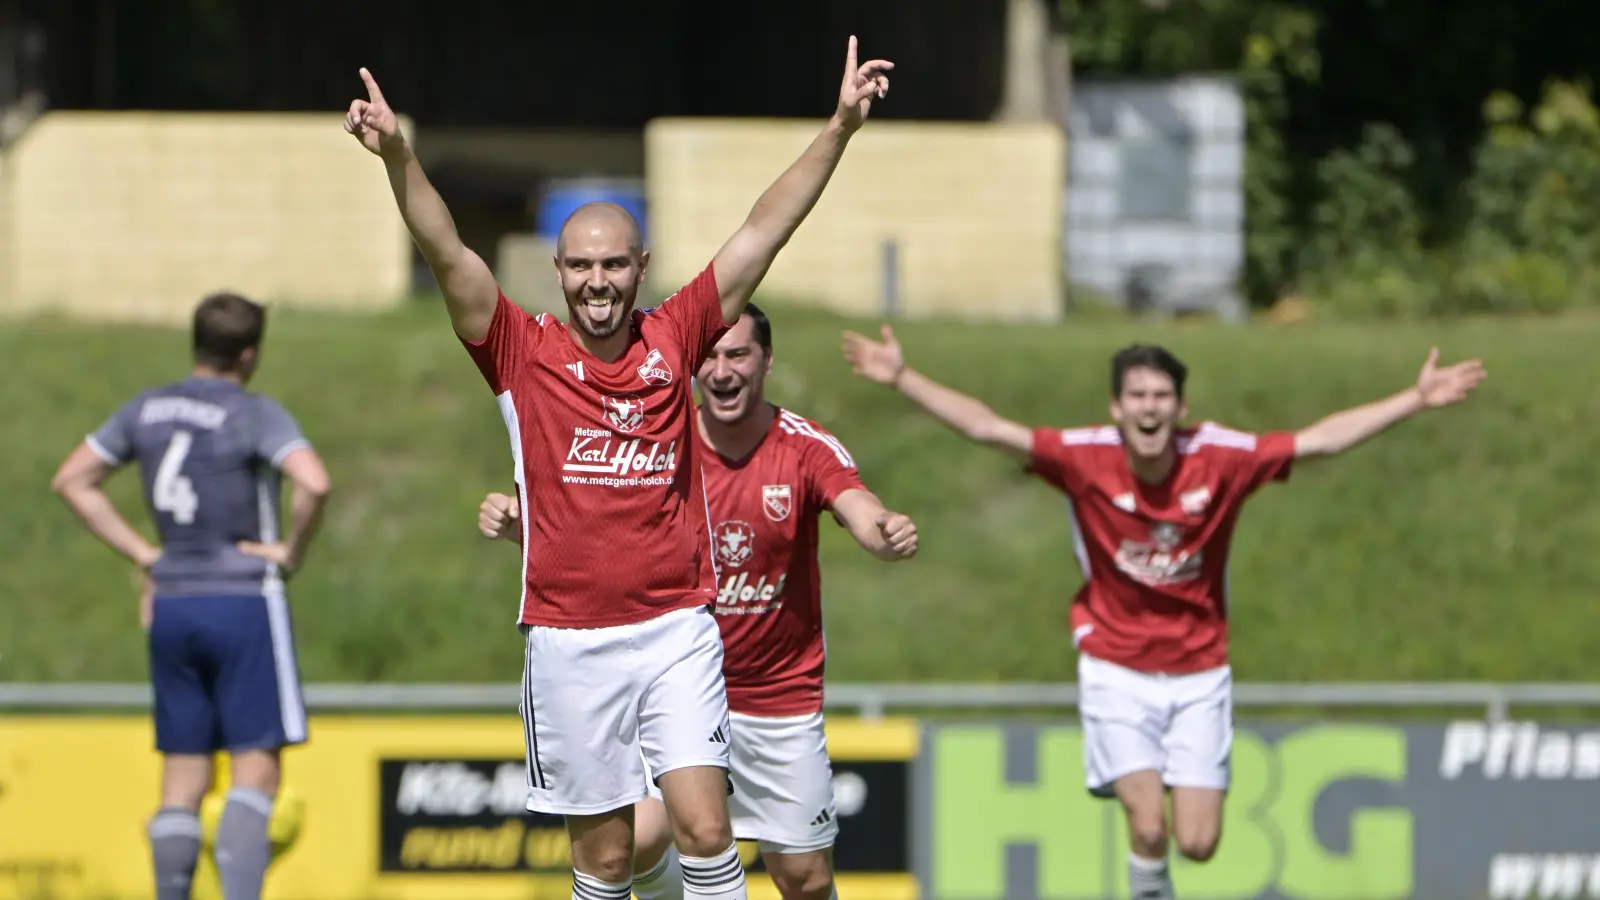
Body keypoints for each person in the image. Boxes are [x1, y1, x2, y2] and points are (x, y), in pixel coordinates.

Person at [344, 37, 891, 900]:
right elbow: (447, 248)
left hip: (676, 628)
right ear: (558, 272)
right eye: (582, 265)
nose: (598, 281)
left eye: (614, 264)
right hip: (568, 643)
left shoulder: (676, 336)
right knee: (604, 862)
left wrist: (839, 129)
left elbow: (763, 230)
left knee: (708, 828)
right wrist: (399, 157)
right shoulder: (520, 352)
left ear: (641, 269)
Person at [840, 328, 1485, 900]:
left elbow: (1318, 443)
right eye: (1137, 396)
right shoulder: (1082, 456)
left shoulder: (1221, 457)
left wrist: (1415, 398)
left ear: (1180, 407)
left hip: (1200, 671)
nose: (1149, 408)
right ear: (1116, 407)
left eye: (1160, 397)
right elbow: (990, 428)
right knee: (1148, 824)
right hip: (1114, 665)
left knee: (1198, 841)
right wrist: (903, 378)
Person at [479, 305, 918, 900]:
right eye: (708, 356)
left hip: (777, 701)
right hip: (675, 685)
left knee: (805, 879)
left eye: (737, 354)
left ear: (766, 360)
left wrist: (883, 532)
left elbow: (859, 508)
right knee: (636, 847)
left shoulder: (802, 445)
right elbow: (588, 526)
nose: (721, 370)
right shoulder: (658, 431)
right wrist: (518, 527)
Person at [50, 291, 332, 900]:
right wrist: (289, 551)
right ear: (250, 354)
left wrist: (146, 554)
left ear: (197, 344)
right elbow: (313, 481)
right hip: (242, 598)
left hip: (171, 601)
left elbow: (73, 479)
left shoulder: (146, 410)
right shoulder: (254, 412)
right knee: (254, 772)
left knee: (181, 775)